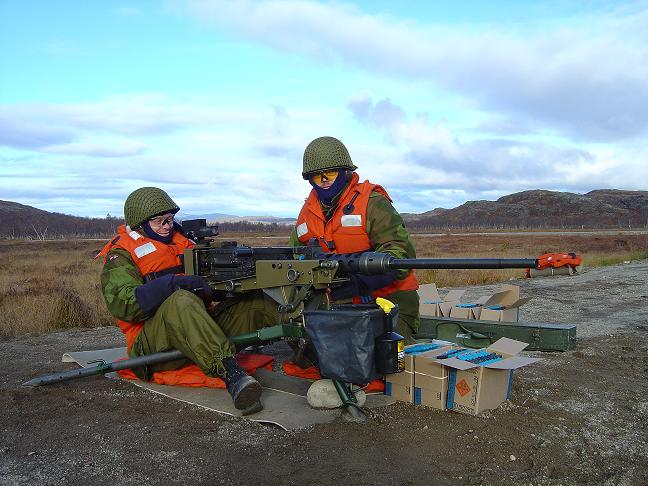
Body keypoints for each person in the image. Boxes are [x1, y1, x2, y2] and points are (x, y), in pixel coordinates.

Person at [98, 187, 279, 414]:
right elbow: (123, 304)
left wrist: (227, 284)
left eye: (170, 220)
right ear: (140, 225)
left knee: (256, 301)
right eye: (159, 222)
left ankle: (320, 356)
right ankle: (232, 375)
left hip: (198, 331)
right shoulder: (121, 255)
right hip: (153, 349)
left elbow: (209, 288)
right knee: (181, 300)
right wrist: (174, 284)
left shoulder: (184, 244)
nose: (167, 226)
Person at [289, 136, 420, 341]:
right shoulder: (307, 212)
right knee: (313, 356)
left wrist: (359, 281)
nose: (324, 181)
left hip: (387, 304)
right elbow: (293, 255)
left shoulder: (373, 203)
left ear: (346, 172)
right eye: (317, 176)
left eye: (330, 174)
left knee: (369, 359)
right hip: (335, 307)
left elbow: (400, 254)